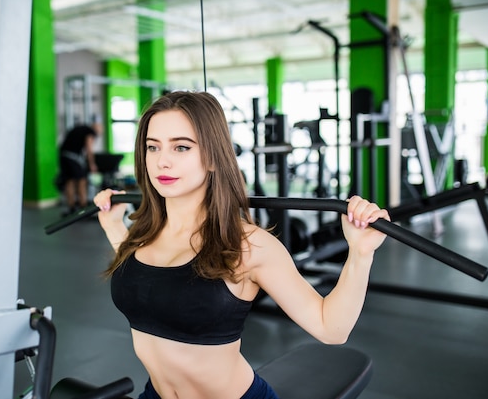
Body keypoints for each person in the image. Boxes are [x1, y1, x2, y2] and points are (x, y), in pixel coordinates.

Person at [93, 91, 390, 399]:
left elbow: (331, 329)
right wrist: (114, 224)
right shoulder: (143, 235)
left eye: (181, 147)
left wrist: (360, 253)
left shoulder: (248, 245)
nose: (162, 161)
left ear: (211, 157)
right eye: (152, 147)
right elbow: (143, 278)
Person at [59, 122, 101, 214]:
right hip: (72, 157)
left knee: (69, 180)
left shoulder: (81, 129)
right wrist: (92, 164)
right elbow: (89, 149)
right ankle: (83, 206)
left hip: (63, 155)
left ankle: (72, 207)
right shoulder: (90, 132)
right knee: (82, 180)